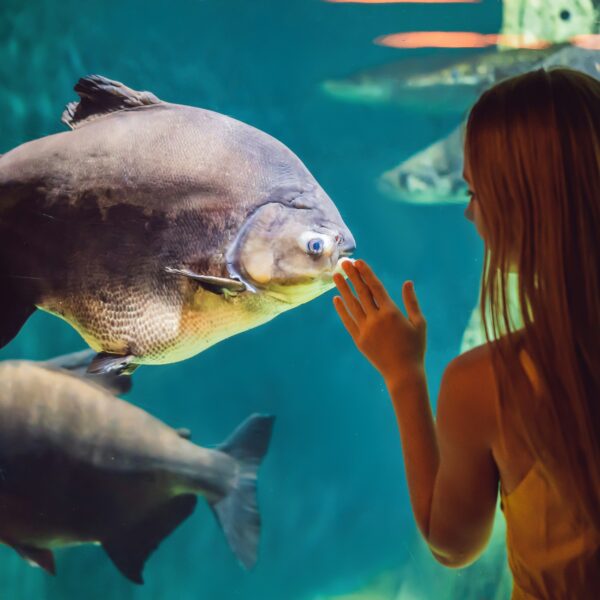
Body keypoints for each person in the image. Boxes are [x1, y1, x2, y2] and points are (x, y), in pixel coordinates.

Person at [332, 67, 599, 599]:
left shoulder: (488, 383)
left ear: (523, 208)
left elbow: (452, 543)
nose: (468, 213)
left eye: (476, 192)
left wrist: (404, 374)